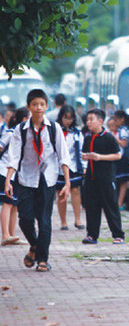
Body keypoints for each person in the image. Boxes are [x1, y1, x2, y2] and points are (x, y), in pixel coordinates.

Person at [5, 89, 71, 272]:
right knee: (24, 219)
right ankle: (34, 245)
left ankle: (43, 259)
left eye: (42, 104)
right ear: (28, 107)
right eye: (34, 105)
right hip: (26, 179)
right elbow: (14, 156)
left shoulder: (54, 128)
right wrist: (8, 180)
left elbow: (63, 156)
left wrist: (67, 182)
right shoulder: (21, 130)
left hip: (47, 180)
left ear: (47, 106)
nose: (38, 108)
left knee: (44, 220)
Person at [81, 109, 125, 244]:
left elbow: (118, 155)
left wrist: (100, 157)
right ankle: (92, 235)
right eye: (87, 119)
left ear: (100, 121)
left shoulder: (108, 137)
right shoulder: (88, 137)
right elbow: (84, 154)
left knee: (110, 206)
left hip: (106, 177)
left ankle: (118, 234)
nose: (88, 122)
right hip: (91, 177)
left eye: (91, 119)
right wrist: (86, 157)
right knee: (92, 207)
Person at [0, 107, 29, 246]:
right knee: (7, 203)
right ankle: (5, 234)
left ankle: (12, 235)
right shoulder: (11, 134)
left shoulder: (24, 135)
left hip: (15, 174)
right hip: (4, 172)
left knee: (14, 204)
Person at [56, 105, 85, 231]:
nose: (68, 120)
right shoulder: (55, 131)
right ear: (61, 117)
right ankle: (63, 222)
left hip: (73, 166)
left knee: (75, 191)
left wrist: (84, 167)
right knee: (61, 194)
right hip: (58, 167)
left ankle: (77, 219)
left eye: (70, 118)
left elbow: (81, 150)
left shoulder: (77, 133)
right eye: (65, 118)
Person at [113, 110, 129, 210]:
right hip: (120, 159)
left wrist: (114, 138)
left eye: (116, 120)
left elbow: (123, 144)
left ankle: (119, 203)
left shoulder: (123, 130)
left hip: (121, 159)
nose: (115, 122)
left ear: (122, 119)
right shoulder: (122, 129)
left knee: (122, 182)